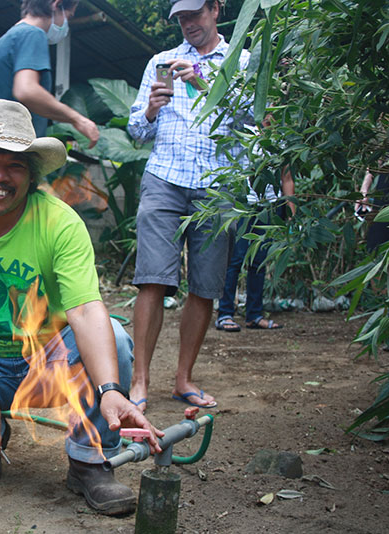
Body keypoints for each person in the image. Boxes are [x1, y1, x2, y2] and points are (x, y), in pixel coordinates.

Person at [0, 99, 162, 515]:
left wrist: (110, 391)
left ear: (31, 175)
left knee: (113, 339)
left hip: (49, 357)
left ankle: (90, 461)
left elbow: (85, 309)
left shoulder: (60, 222)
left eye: (15, 166)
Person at [126, 0, 251, 410]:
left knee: (204, 284)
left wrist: (202, 84)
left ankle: (183, 379)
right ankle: (140, 381)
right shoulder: (160, 61)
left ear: (216, 8)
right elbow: (136, 130)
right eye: (181, 18)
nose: (188, 24)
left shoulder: (240, 61)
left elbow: (249, 122)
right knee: (152, 278)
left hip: (217, 185)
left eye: (195, 15)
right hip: (164, 178)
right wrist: (151, 107)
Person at [0, 0, 99, 148]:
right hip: (18, 155)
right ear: (56, 5)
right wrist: (78, 119)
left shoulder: (1, 45)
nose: (66, 23)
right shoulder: (32, 34)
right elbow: (26, 90)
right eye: (68, 16)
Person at [216, 167, 295, 332]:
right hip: (241, 205)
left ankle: (254, 315)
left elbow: (286, 178)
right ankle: (225, 313)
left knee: (259, 261)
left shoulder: (280, 142)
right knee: (234, 259)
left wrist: (291, 212)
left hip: (270, 206)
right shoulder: (241, 140)